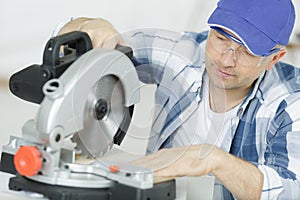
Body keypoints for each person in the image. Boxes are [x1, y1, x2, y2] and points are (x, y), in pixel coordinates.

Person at [58, 0, 300, 199]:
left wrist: (213, 160)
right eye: (221, 38)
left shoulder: (291, 102)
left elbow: (291, 190)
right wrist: (88, 25)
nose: (226, 60)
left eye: (247, 52)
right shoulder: (180, 52)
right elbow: (78, 49)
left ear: (274, 58)